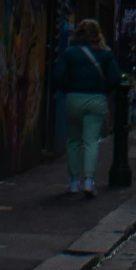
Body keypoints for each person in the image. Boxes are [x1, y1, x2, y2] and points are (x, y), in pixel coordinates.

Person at [54, 17, 121, 195]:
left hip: (73, 98)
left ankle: (74, 181)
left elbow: (58, 77)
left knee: (74, 141)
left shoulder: (69, 53)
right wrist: (102, 88)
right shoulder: (106, 54)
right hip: (96, 99)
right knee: (92, 141)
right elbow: (115, 78)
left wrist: (69, 89)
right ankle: (89, 181)